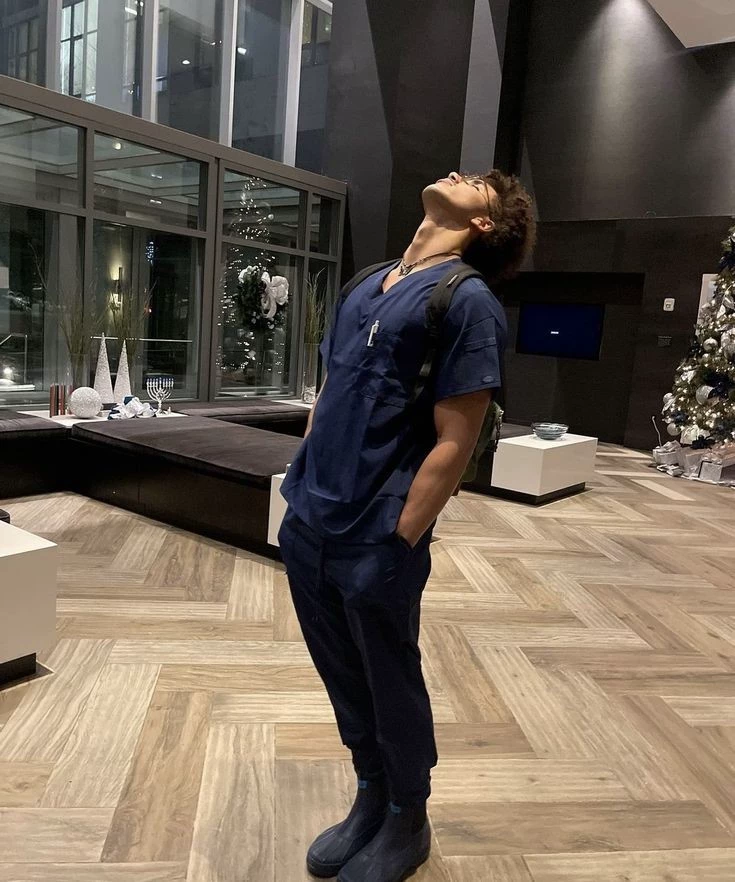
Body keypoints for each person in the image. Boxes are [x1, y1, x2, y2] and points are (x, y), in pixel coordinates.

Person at [278, 170, 536, 882]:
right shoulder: (367, 280)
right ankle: (369, 793)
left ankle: (406, 814)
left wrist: (400, 537)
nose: (459, 173)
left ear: (485, 224)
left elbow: (457, 440)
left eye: (478, 183)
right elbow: (331, 388)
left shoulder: (467, 302)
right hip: (310, 518)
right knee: (339, 670)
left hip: (377, 532)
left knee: (388, 675)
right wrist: (302, 487)